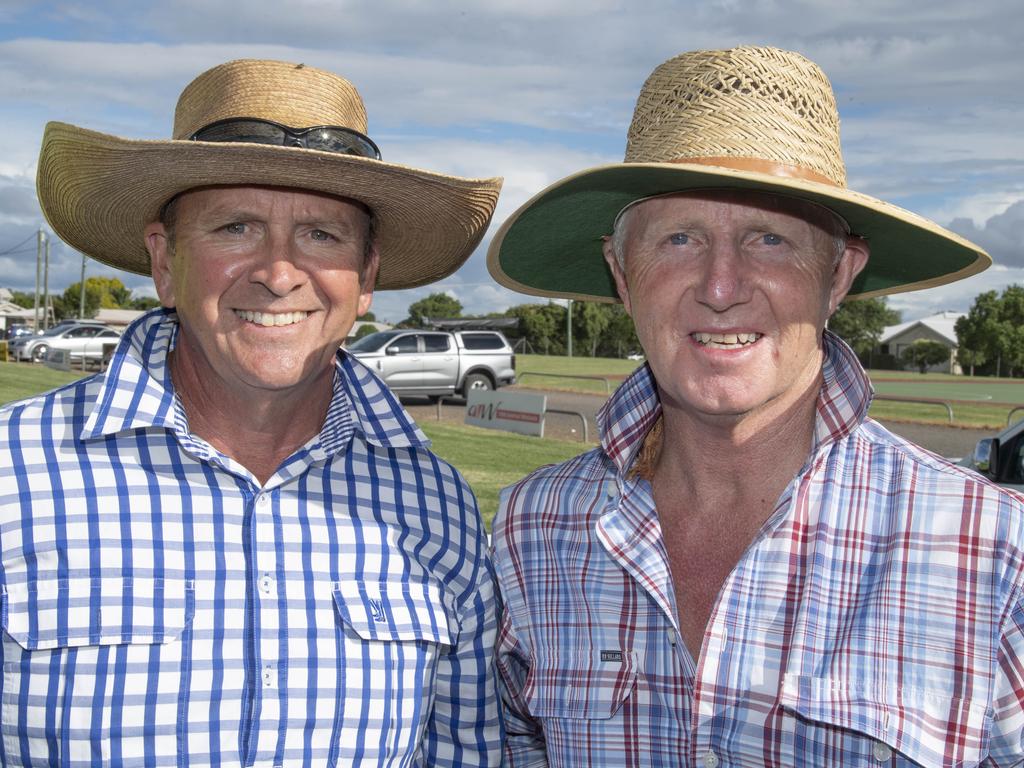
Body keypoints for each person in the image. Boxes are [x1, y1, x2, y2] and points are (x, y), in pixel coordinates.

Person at [486, 46, 1024, 766]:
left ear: (839, 274)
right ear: (622, 273)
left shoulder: (989, 551)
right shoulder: (532, 531)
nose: (720, 285)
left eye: (769, 239)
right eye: (680, 239)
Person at [0, 59, 502, 767]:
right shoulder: (13, 475)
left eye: (322, 235)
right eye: (236, 227)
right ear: (164, 262)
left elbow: (464, 752)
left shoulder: (439, 506)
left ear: (367, 279)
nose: (278, 272)